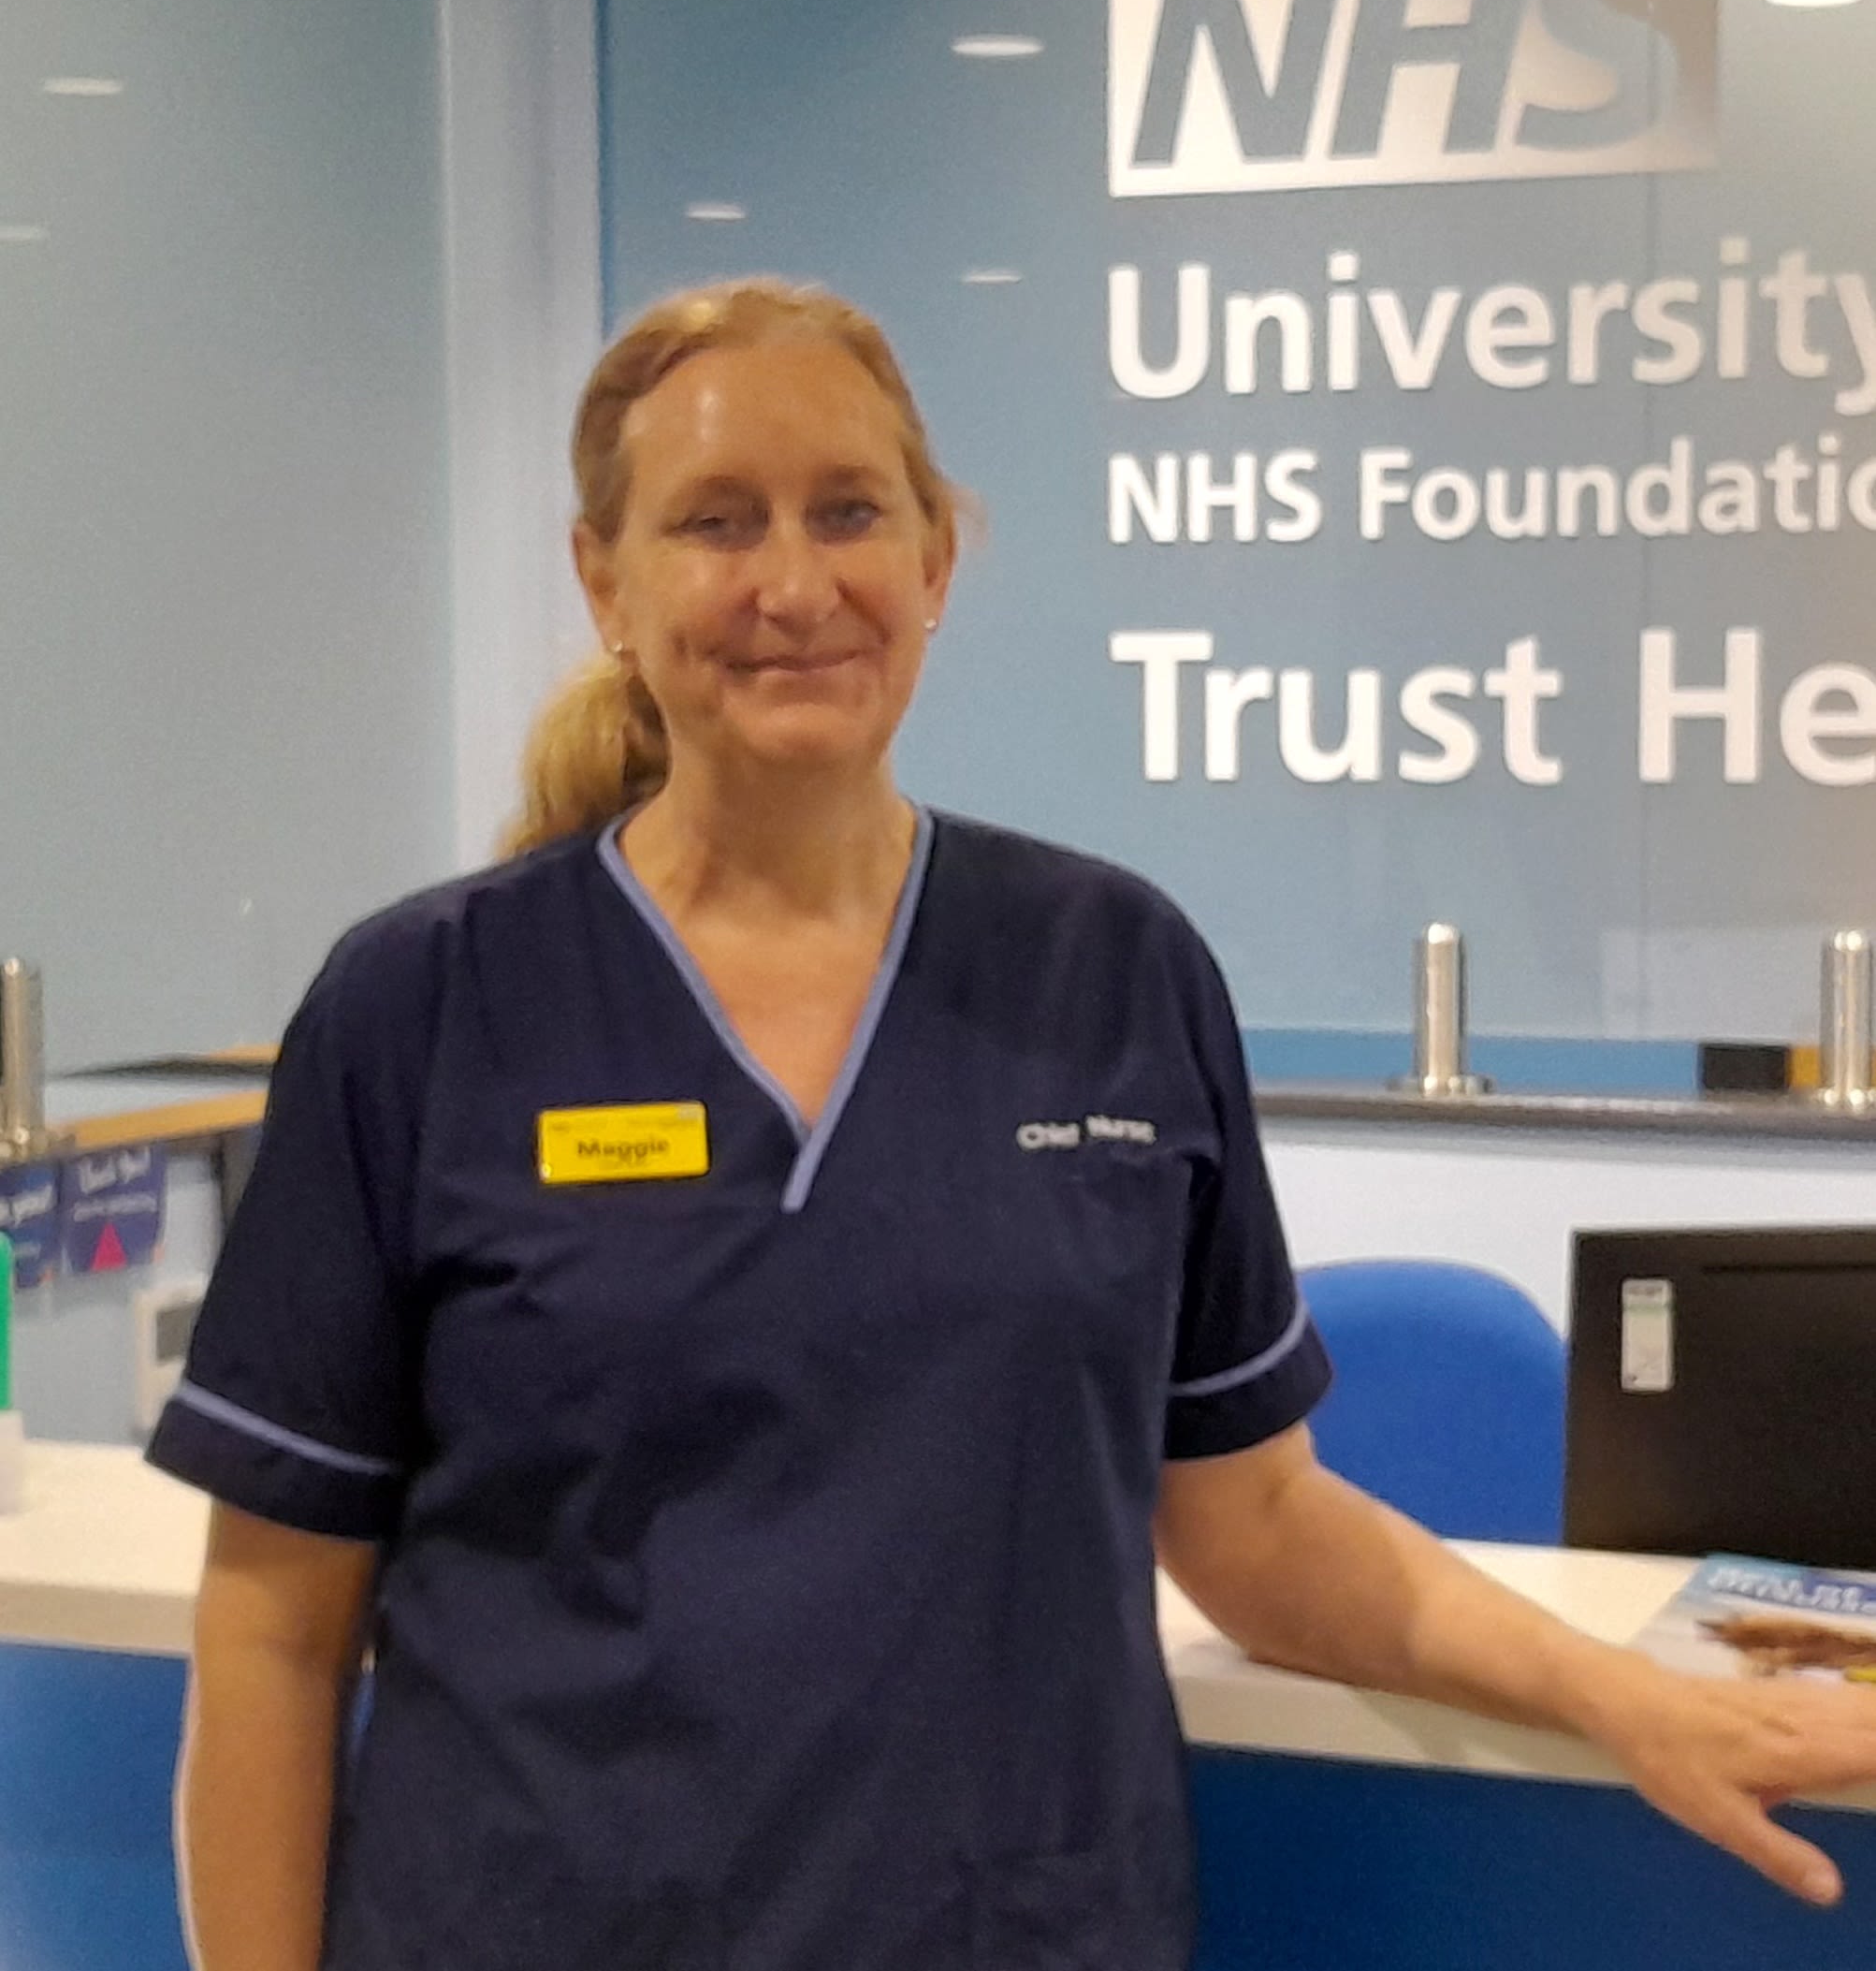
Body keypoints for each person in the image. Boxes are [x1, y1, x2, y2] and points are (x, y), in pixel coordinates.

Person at [149, 277, 1876, 1971]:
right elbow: (272, 1631)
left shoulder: (1111, 970)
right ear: (604, 579)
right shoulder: (423, 1009)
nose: (794, 583)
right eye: (714, 522)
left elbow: (1258, 1529)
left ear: (935, 561)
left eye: (849, 511)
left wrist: (1631, 1696)